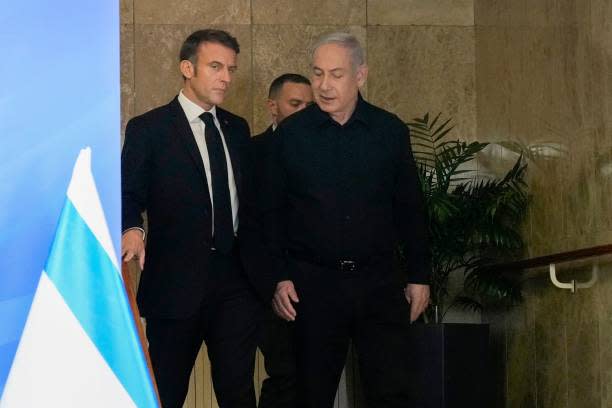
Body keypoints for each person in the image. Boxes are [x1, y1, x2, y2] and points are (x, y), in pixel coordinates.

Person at [257, 32, 431, 408]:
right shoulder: (291, 135)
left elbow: (410, 208)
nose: (323, 85)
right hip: (312, 285)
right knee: (309, 392)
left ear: (361, 75)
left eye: (336, 74)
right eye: (317, 73)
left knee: (391, 390)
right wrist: (278, 276)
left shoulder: (389, 131)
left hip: (379, 283)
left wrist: (419, 275)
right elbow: (270, 212)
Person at [121, 29, 260, 408]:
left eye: (231, 68)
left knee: (238, 389)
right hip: (174, 283)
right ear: (187, 68)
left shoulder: (237, 128)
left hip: (235, 281)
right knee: (166, 391)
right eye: (215, 67)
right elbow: (127, 193)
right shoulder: (149, 129)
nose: (226, 78)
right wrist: (132, 229)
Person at [253, 73, 313, 408]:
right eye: (295, 104)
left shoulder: (326, 152)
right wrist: (274, 279)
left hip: (319, 283)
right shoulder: (252, 151)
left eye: (310, 105)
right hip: (271, 285)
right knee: (284, 373)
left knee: (312, 375)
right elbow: (252, 224)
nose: (305, 111)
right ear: (272, 107)